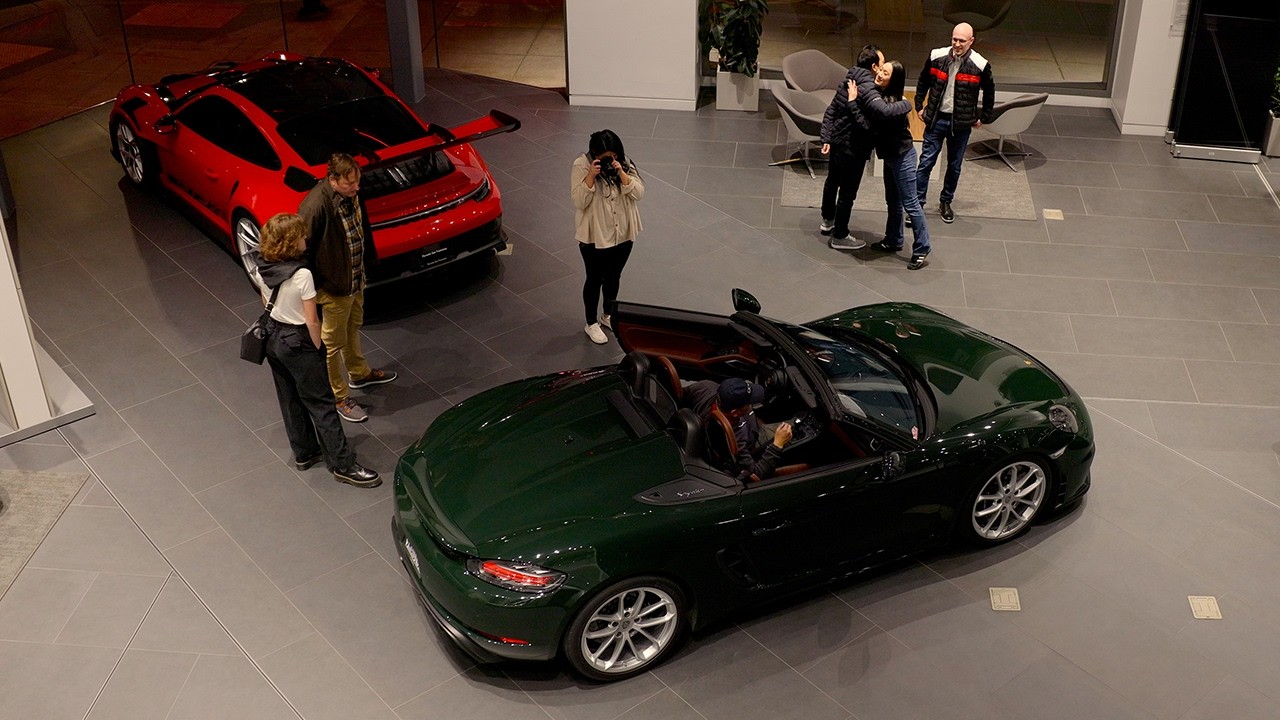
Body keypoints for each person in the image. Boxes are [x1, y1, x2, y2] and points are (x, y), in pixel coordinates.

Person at [250, 213, 380, 488]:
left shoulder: (262, 266)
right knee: (322, 404)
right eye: (300, 235)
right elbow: (312, 319)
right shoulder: (302, 275)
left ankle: (305, 452)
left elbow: (266, 302)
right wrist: (317, 347)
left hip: (273, 337)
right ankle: (343, 465)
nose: (305, 239)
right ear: (289, 241)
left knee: (290, 398)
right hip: (298, 340)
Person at [298, 153, 397, 424]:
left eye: (358, 181)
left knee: (353, 327)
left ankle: (358, 372)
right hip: (334, 287)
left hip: (355, 279)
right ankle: (338, 396)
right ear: (333, 180)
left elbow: (361, 230)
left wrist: (369, 264)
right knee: (331, 343)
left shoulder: (352, 194)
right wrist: (317, 287)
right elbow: (302, 251)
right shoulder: (315, 205)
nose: (356, 187)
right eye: (350, 183)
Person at [913, 22, 995, 224]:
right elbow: (923, 80)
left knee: (955, 166)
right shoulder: (936, 56)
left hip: (960, 124)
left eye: (962, 40)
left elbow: (990, 91)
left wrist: (983, 117)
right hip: (936, 119)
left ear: (971, 41)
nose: (957, 44)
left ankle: (945, 202)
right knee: (925, 163)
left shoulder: (980, 64)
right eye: (954, 39)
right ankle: (917, 205)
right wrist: (919, 106)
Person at [571, 129, 644, 345]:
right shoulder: (581, 165)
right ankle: (591, 322)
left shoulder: (625, 163)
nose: (610, 161)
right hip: (595, 235)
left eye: (613, 156)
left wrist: (621, 172)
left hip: (622, 232)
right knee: (594, 278)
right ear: (594, 155)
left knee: (614, 277)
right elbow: (579, 201)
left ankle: (608, 314)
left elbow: (639, 193)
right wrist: (591, 176)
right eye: (605, 158)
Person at [857, 61, 932, 270]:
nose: (879, 73)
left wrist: (855, 103)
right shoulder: (883, 96)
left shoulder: (891, 105)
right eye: (881, 69)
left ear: (894, 79)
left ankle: (922, 246)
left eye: (885, 72)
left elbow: (875, 120)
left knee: (911, 203)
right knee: (893, 201)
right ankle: (894, 239)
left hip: (903, 157)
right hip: (891, 157)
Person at [819, 45, 883, 250]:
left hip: (837, 144)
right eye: (882, 64)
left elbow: (831, 112)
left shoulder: (847, 81)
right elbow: (868, 127)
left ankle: (827, 220)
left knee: (832, 182)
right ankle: (840, 235)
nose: (883, 69)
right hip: (854, 149)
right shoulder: (871, 92)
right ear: (873, 67)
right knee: (847, 193)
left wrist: (826, 138)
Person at [684, 378, 793, 482]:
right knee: (794, 429)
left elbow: (681, 396)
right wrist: (777, 445)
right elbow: (758, 473)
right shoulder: (735, 441)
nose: (750, 405)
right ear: (735, 413)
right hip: (755, 438)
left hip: (752, 423)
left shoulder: (704, 388)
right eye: (748, 404)